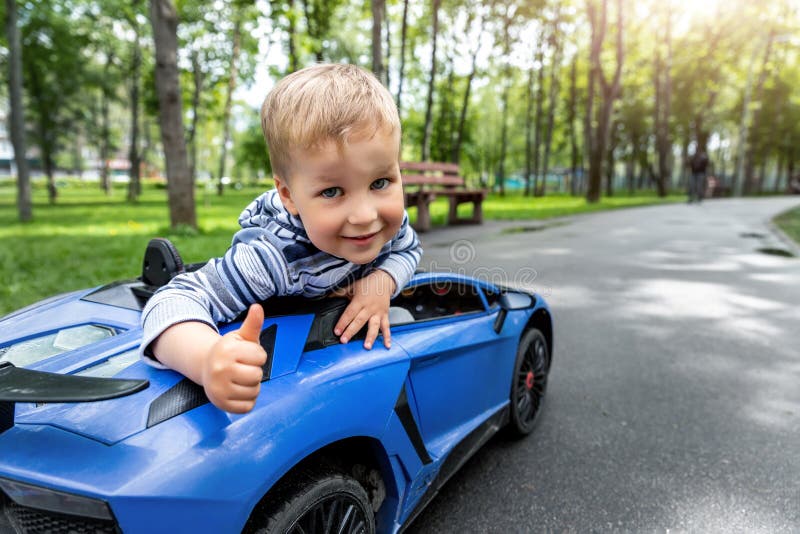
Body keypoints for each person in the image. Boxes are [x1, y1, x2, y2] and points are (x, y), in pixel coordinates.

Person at [140, 64, 422, 413]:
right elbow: (172, 300)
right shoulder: (274, 258)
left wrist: (382, 281)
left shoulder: (388, 224)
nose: (366, 215)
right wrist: (206, 359)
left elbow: (409, 248)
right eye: (333, 191)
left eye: (380, 183)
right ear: (288, 196)